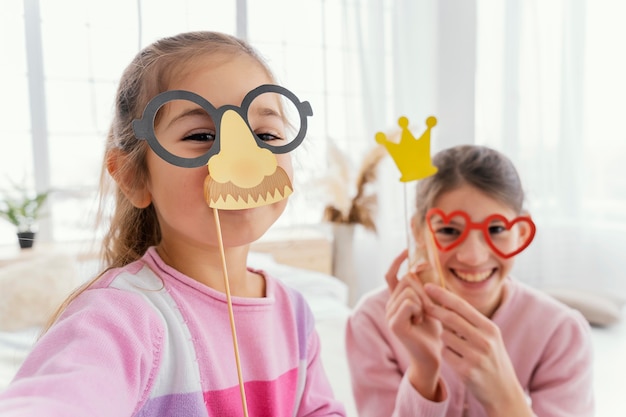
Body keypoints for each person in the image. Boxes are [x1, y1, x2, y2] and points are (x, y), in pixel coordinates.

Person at [0, 31, 345, 417]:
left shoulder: (294, 312)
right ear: (133, 178)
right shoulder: (118, 318)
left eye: (265, 134)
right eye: (201, 135)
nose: (244, 162)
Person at [345, 144, 594, 416]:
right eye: (450, 230)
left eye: (496, 229)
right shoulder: (373, 322)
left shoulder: (561, 332)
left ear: (520, 233)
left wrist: (504, 396)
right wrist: (423, 375)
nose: (473, 257)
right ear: (418, 231)